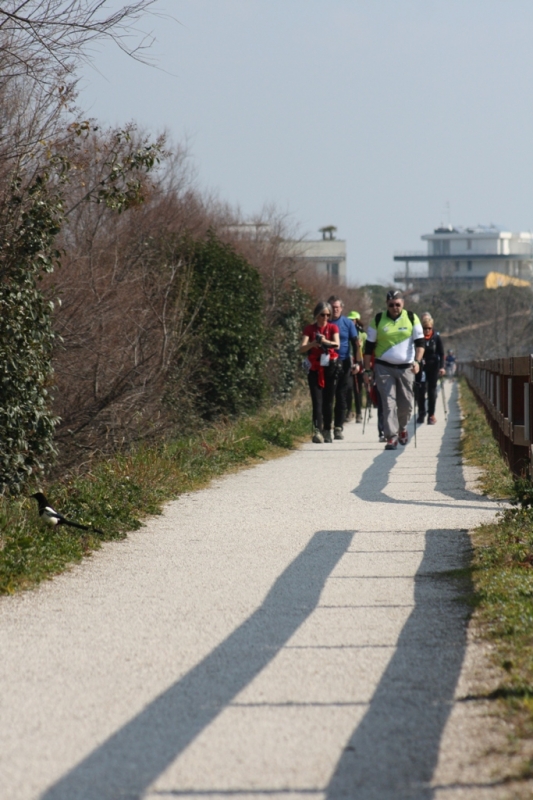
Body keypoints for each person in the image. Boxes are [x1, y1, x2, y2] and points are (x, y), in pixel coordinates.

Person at [363, 290, 424, 450]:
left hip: (406, 368)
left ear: (403, 304)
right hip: (384, 367)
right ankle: (391, 436)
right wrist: (367, 370)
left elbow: (420, 343)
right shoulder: (378, 319)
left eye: (397, 304)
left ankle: (403, 428)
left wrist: (417, 361)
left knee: (406, 404)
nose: (394, 307)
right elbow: (368, 347)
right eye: (391, 305)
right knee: (388, 403)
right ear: (386, 304)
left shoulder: (412, 317)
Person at [300, 301, 341, 443]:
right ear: (317, 315)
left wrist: (325, 342)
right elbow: (302, 348)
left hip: (330, 366)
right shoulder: (309, 329)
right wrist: (313, 343)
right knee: (317, 400)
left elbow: (337, 344)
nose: (325, 317)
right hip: (314, 368)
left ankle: (327, 429)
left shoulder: (333, 327)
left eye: (328, 315)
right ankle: (317, 430)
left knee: (328, 401)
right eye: (322, 315)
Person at [328, 296, 361, 439]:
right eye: (332, 307)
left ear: (341, 308)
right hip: (327, 363)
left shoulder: (348, 323)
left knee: (341, 396)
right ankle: (325, 427)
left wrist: (358, 363)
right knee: (328, 396)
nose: (335, 309)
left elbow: (355, 343)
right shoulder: (324, 321)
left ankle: (338, 427)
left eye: (337, 307)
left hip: (344, 363)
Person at [416, 313, 445, 425]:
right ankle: (421, 413)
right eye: (425, 328)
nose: (427, 330)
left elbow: (441, 353)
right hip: (421, 367)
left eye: (429, 328)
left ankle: (431, 414)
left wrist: (442, 367)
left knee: (432, 391)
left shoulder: (436, 338)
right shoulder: (418, 338)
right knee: (420, 391)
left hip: (433, 366)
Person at [345, 311, 364, 422]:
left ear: (357, 321)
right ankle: (349, 411)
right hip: (348, 361)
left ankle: (359, 412)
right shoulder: (346, 332)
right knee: (348, 388)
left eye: (353, 319)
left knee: (358, 389)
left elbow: (367, 350)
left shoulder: (363, 334)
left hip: (359, 362)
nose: (351, 321)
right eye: (350, 319)